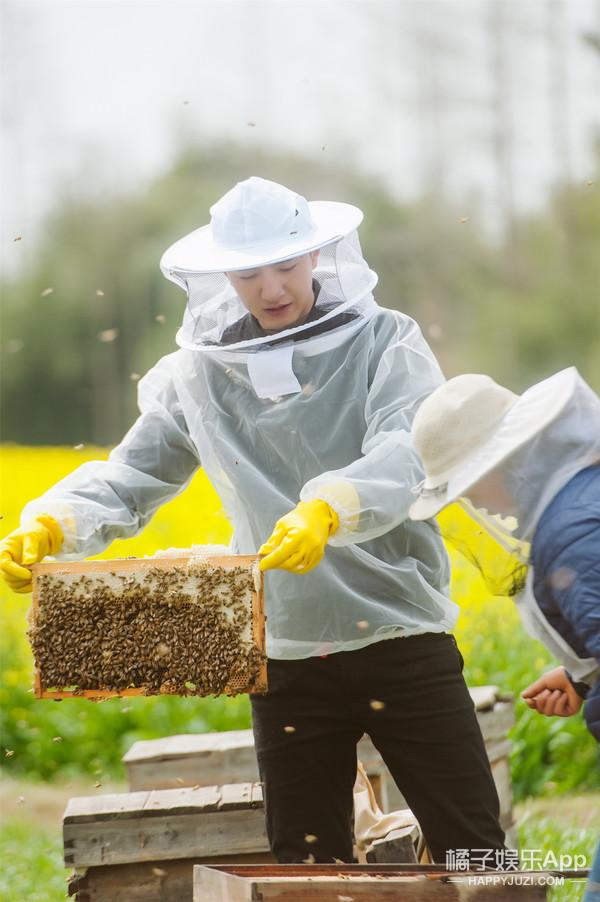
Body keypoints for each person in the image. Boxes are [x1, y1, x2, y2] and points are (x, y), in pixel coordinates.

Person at [0, 176, 505, 864]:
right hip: (284, 653)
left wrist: (332, 507)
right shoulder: (198, 375)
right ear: (221, 277)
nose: (271, 288)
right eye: (249, 272)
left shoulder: (385, 340)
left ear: (318, 258)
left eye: (286, 266)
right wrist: (55, 522)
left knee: (475, 850)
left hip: (401, 639)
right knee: (303, 866)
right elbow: (131, 474)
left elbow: (405, 450)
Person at [408, 369, 599, 898]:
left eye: (471, 482)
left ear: (507, 456)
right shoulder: (584, 495)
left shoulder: (573, 537)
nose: (478, 501)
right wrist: (583, 678)